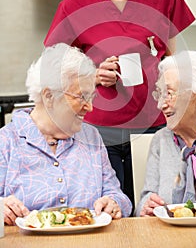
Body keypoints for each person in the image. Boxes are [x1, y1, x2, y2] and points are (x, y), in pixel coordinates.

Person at [44, 0, 195, 208]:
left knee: (160, 207)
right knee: (112, 209)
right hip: (98, 128)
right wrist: (92, 75)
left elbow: (173, 58)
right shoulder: (74, 5)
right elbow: (56, 65)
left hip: (156, 123)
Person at [0, 43, 132, 225]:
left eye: (91, 97)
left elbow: (118, 196)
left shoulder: (91, 137)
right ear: (49, 96)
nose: (90, 107)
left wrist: (114, 203)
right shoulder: (6, 141)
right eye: (82, 96)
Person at [136, 50, 196, 217]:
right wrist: (146, 207)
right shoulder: (161, 140)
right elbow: (144, 201)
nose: (161, 105)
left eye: (170, 94)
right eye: (160, 94)